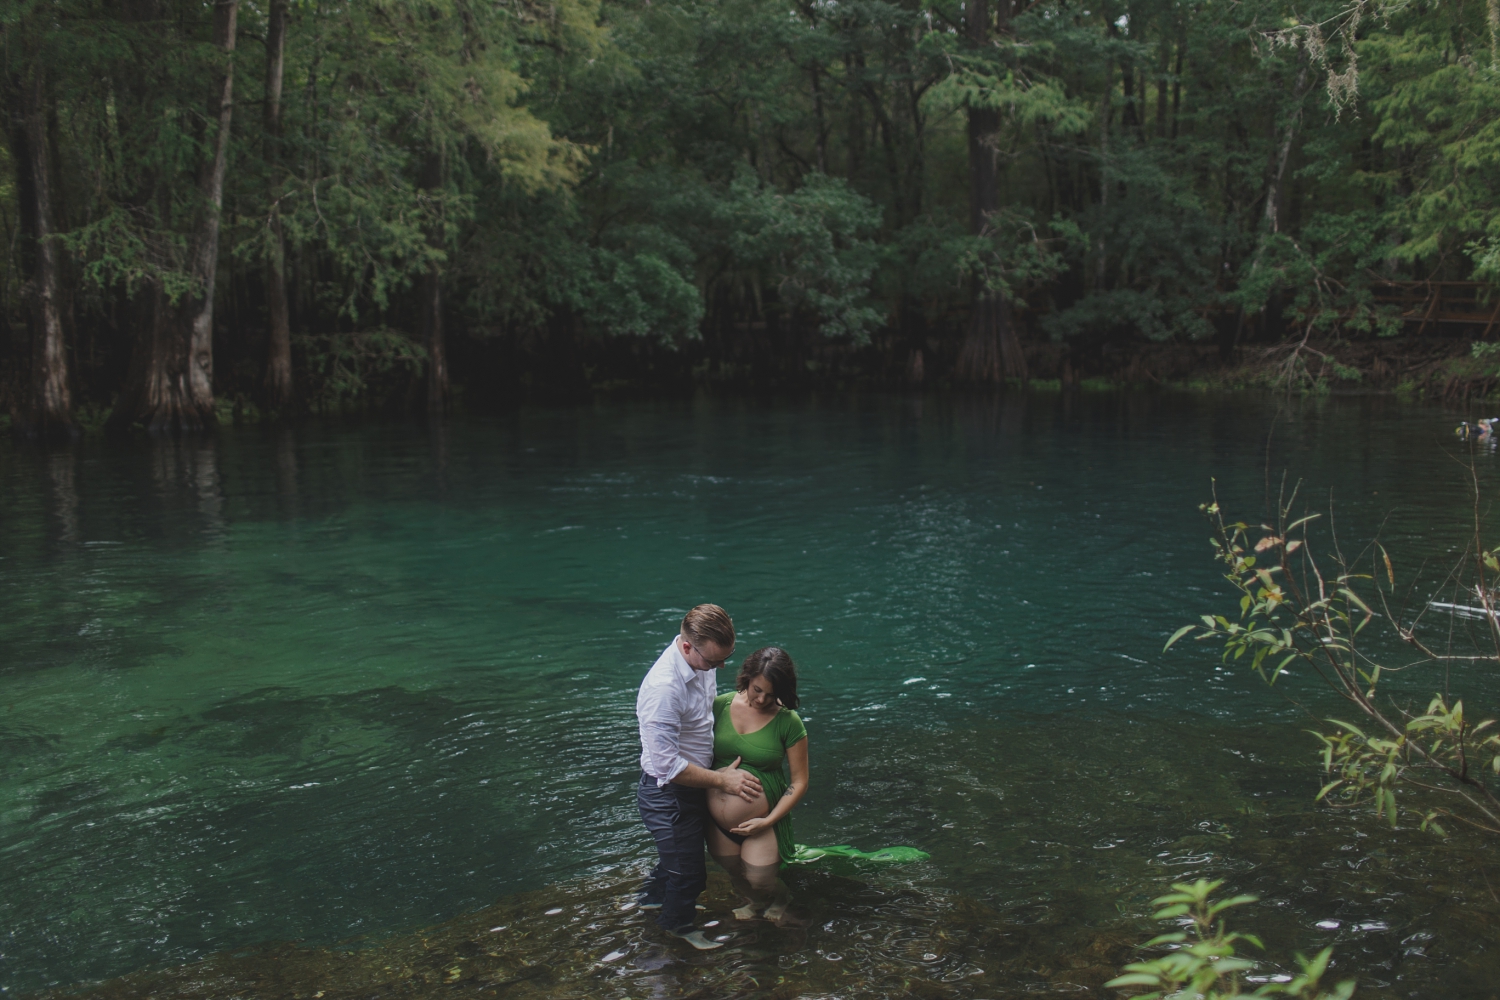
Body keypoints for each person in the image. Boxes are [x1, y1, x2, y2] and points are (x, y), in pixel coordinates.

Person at [635, 604, 761, 950]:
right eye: (713, 661)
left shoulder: (701, 659)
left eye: (727, 658)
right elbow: (667, 766)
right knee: (689, 874)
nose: (720, 667)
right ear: (688, 646)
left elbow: (703, 715)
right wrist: (722, 781)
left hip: (693, 785)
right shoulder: (663, 689)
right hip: (668, 794)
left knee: (676, 861)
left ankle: (648, 903)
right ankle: (673, 932)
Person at [706, 646, 808, 923]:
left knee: (761, 878)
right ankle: (751, 904)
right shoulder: (719, 706)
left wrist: (769, 820)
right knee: (734, 872)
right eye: (757, 690)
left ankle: (780, 899)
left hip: (763, 821)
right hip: (719, 823)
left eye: (772, 695)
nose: (762, 699)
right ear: (747, 678)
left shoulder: (788, 722)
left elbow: (799, 782)